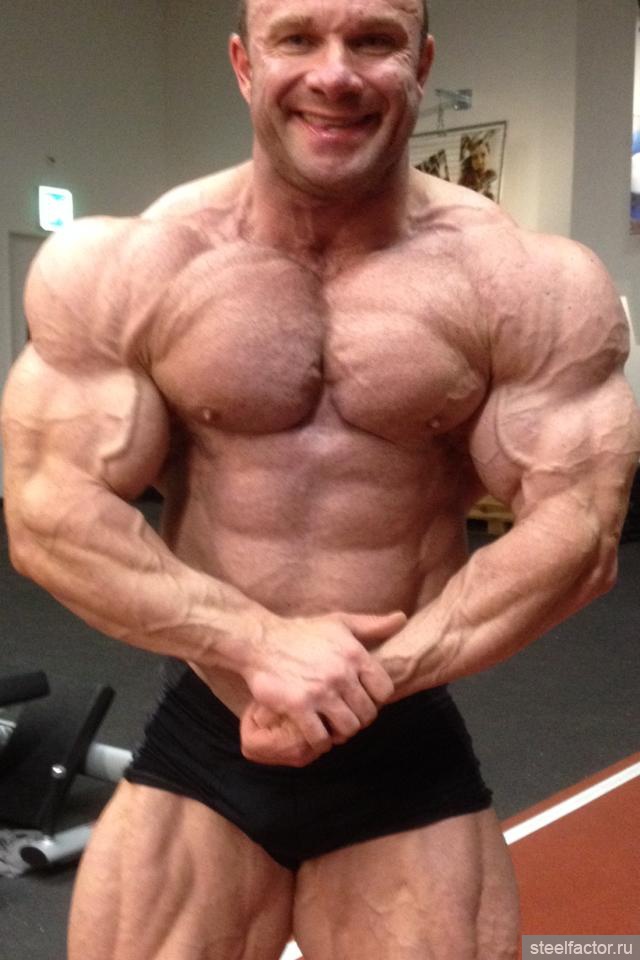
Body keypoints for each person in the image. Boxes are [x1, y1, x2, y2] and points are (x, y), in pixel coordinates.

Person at [2, 0, 639, 957]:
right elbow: (48, 514)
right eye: (297, 37)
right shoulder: (129, 266)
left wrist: (370, 680)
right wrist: (255, 641)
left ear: (422, 62)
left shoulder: (526, 284)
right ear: (243, 63)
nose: (335, 74)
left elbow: (581, 531)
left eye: (374, 40)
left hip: (401, 740)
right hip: (209, 731)